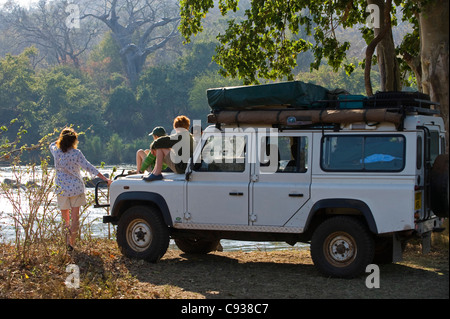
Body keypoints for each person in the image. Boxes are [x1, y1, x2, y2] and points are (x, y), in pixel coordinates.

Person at [50, 127, 112, 251]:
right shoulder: (76, 153)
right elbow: (88, 167)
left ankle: (67, 242)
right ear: (74, 141)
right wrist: (104, 178)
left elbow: (51, 144)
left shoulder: (56, 152)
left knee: (65, 220)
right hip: (76, 189)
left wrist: (59, 141)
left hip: (61, 188)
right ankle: (71, 244)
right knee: (75, 218)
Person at [144, 115, 193, 182]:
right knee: (163, 146)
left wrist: (152, 146)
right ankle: (154, 171)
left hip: (181, 167)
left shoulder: (180, 136)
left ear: (176, 127)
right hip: (186, 166)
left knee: (160, 148)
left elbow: (161, 141)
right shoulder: (189, 136)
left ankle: (157, 173)